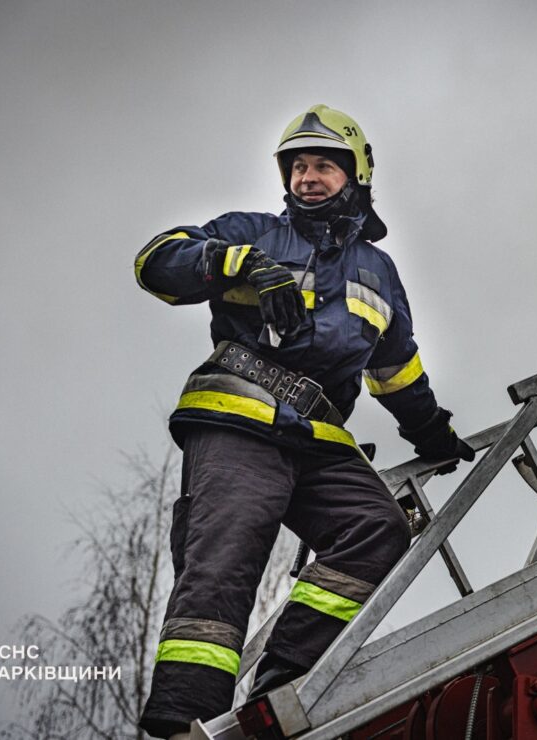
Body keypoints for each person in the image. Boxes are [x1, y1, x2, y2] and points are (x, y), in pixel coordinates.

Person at [133, 104, 475, 738]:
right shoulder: (252, 233)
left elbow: (395, 368)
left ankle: (286, 682)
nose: (308, 177)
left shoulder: (379, 272)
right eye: (297, 166)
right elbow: (156, 263)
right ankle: (187, 720)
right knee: (227, 558)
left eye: (323, 165)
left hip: (318, 434)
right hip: (238, 416)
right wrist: (236, 263)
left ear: (357, 174)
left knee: (376, 528)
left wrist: (431, 432)